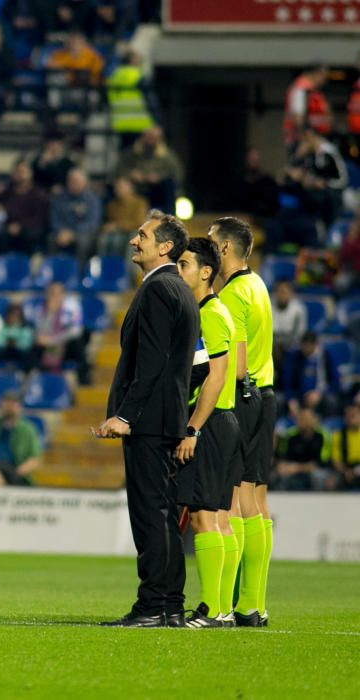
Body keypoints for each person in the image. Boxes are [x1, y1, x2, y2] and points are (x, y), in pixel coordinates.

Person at [95, 210, 199, 627]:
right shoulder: (180, 290)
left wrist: (126, 415)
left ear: (165, 247)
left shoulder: (159, 290)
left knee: (150, 514)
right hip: (164, 418)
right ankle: (170, 604)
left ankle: (153, 605)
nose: (134, 240)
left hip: (150, 421)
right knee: (162, 513)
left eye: (143, 235)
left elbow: (152, 363)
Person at [211, 216, 276, 627]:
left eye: (212, 242)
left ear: (224, 249)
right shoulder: (259, 285)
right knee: (257, 501)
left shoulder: (233, 293)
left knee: (234, 502)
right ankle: (253, 604)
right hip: (265, 395)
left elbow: (233, 367)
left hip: (243, 397)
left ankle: (223, 605)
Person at [173, 237, 242, 627]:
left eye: (184, 264)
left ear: (204, 272)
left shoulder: (211, 314)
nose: (179, 272)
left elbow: (216, 378)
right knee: (219, 517)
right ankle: (223, 609)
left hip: (211, 423)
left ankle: (213, 609)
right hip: (225, 422)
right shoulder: (212, 311)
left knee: (203, 518)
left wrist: (193, 428)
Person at [0, 160, 50, 258]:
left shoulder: (38, 194)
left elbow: (40, 218)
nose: (20, 175)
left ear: (30, 174)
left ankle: (28, 266)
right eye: (17, 172)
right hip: (8, 228)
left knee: (30, 235)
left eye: (23, 171)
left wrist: (20, 226)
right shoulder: (7, 192)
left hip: (29, 229)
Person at [116, 127, 182, 215]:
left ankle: (169, 219)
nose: (151, 141)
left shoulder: (167, 156)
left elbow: (177, 174)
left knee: (168, 185)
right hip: (137, 188)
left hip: (156, 190)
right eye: (149, 137)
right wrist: (131, 175)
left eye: (155, 138)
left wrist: (159, 177)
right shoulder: (131, 153)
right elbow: (118, 170)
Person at [33, 282, 90, 384]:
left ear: (63, 294)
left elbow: (76, 331)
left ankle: (84, 378)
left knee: (78, 344)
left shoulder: (72, 306)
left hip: (66, 344)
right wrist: (50, 313)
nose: (55, 297)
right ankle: (37, 378)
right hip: (49, 344)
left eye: (58, 293)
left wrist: (54, 340)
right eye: (52, 293)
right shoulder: (41, 309)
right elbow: (41, 334)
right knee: (33, 347)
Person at [273, 407, 335, 491]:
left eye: (304, 418)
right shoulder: (291, 435)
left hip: (317, 471)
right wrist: (282, 466)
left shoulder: (323, 436)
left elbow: (320, 463)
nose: (300, 421)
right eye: (299, 418)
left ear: (313, 420)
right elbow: (283, 458)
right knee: (279, 474)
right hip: (294, 471)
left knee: (317, 476)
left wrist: (296, 468)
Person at [282, 331, 342, 418]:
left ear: (315, 344)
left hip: (321, 395)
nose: (306, 349)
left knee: (331, 401)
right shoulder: (294, 357)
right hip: (299, 395)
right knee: (279, 400)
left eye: (308, 346)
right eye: (304, 345)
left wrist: (319, 394)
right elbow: (287, 382)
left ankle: (330, 426)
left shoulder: (326, 356)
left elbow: (335, 381)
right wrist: (291, 399)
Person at [49, 168, 102, 263]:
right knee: (51, 239)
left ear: (84, 183)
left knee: (83, 242)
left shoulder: (92, 199)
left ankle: (78, 272)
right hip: (62, 232)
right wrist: (61, 231)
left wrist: (72, 233)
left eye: (76, 181)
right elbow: (54, 219)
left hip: (83, 233)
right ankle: (53, 272)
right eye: (70, 181)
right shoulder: (60, 198)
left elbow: (92, 223)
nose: (72, 184)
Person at [106, 51, 155, 149]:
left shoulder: (114, 77)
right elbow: (151, 101)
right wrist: (158, 121)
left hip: (120, 123)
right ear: (133, 61)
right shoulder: (137, 76)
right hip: (140, 124)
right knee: (140, 155)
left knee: (125, 154)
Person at [283, 63, 331, 148]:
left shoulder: (313, 90)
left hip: (315, 139)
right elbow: (297, 119)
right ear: (316, 74)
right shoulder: (301, 89)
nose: (324, 80)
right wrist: (311, 139)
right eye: (323, 76)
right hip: (304, 142)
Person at [271, 279, 307, 387]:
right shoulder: (268, 306)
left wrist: (285, 345)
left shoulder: (298, 310)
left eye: (285, 292)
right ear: (275, 293)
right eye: (280, 292)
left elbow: (300, 335)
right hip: (273, 348)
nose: (282, 295)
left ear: (291, 294)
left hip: (292, 348)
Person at [100, 176, 148, 256]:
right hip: (116, 233)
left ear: (130, 188)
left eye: (121, 187)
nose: (117, 190)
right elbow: (109, 221)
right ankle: (103, 265)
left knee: (132, 240)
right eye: (116, 187)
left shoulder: (140, 202)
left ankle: (127, 268)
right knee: (103, 239)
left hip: (133, 231)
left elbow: (139, 222)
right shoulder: (112, 204)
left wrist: (117, 225)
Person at [0, 303, 35, 372]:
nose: (14, 317)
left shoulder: (25, 329)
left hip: (20, 353)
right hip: (5, 352)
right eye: (12, 315)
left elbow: (26, 345)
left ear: (21, 317)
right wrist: (7, 342)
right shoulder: (3, 329)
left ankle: (26, 374)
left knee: (29, 354)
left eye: (17, 315)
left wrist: (16, 343)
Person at [332, 403, 360, 489]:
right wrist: (346, 472)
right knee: (331, 481)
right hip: (345, 469)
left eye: (353, 415)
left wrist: (355, 472)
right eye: (347, 416)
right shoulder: (338, 435)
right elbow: (336, 460)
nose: (349, 419)